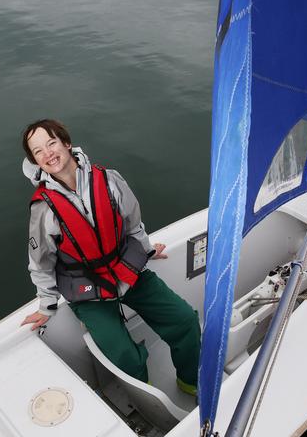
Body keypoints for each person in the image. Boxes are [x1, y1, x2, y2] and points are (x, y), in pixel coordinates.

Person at [20, 118, 200, 396]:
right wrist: (46, 306)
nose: (48, 154)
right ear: (34, 161)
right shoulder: (43, 209)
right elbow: (41, 263)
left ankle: (190, 383)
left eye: (52, 143)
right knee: (125, 356)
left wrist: (148, 249)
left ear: (67, 143)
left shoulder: (110, 179)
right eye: (38, 151)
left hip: (125, 269)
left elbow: (133, 223)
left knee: (185, 320)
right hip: (85, 288)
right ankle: (148, 399)